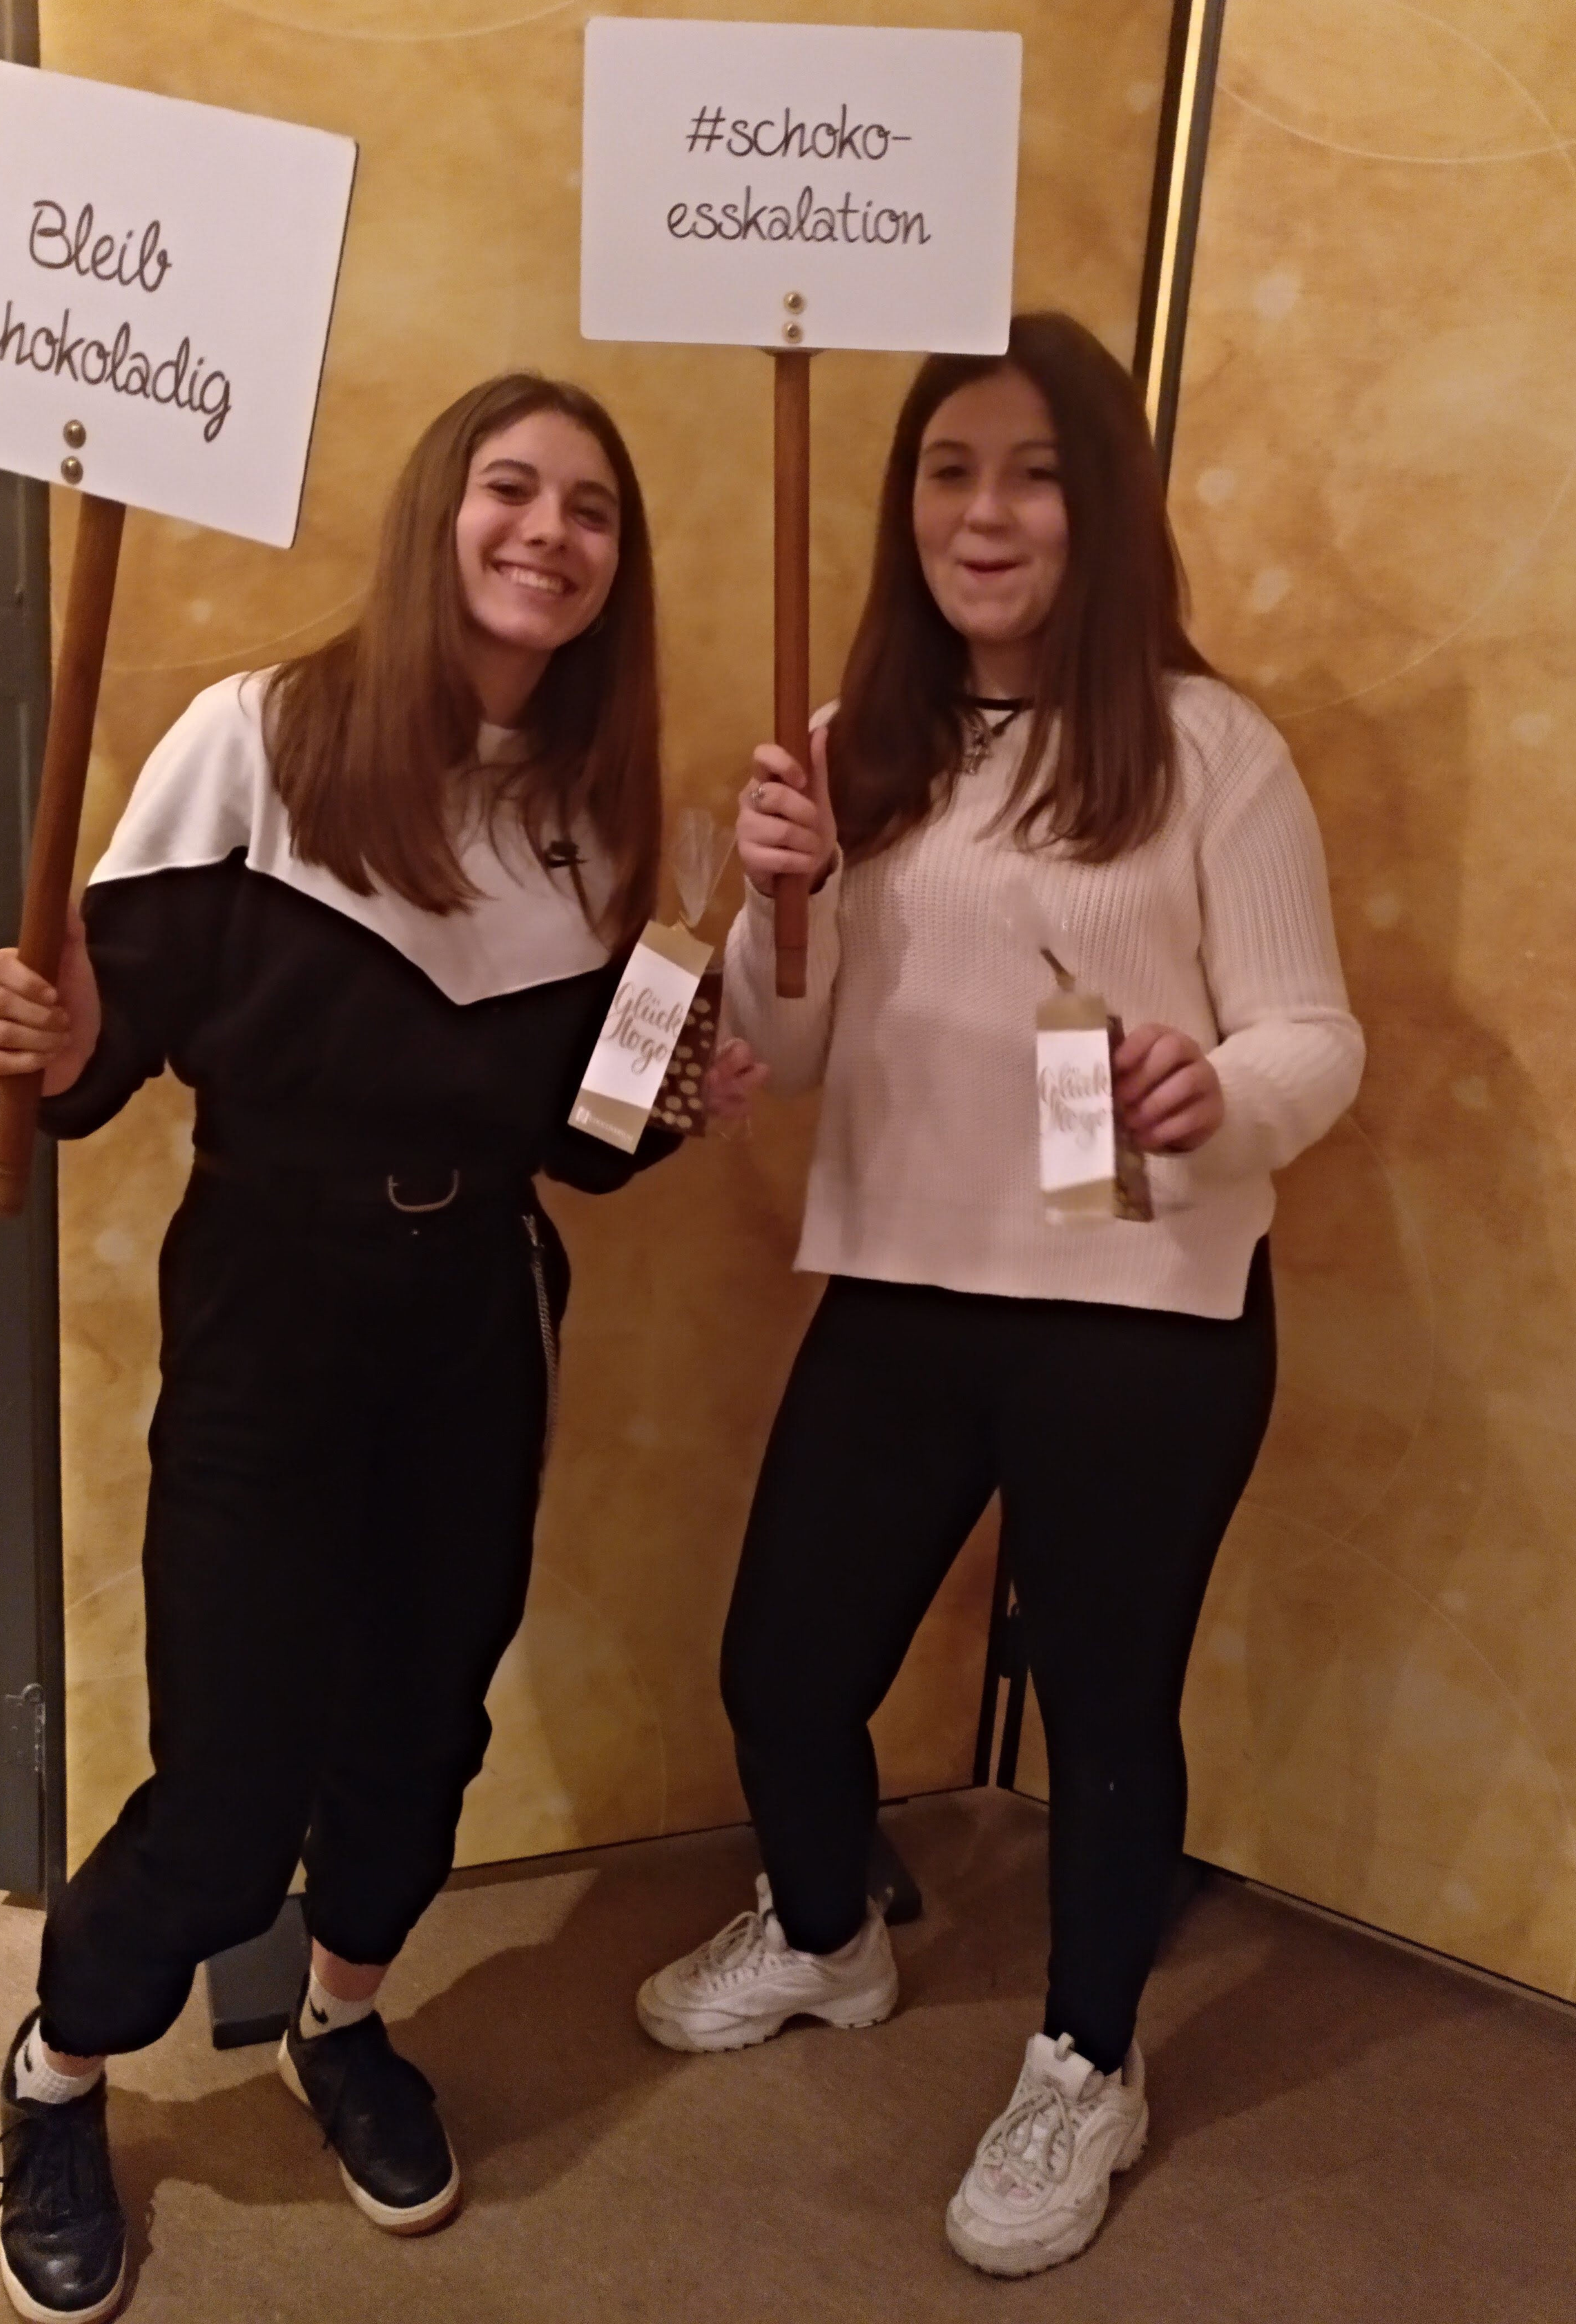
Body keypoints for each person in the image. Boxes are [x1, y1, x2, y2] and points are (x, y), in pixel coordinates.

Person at [0, 373, 760, 2323]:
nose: (550, 533)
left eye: (591, 509)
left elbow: (583, 1149)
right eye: (512, 488)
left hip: (479, 1317)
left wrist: (679, 1103)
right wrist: (50, 1039)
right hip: (272, 1302)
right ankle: (57, 2074)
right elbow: (108, 1046)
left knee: (420, 1731)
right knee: (231, 1793)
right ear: (440, 515)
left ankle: (341, 2025)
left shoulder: (606, 818)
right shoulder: (258, 739)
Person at [636, 314, 1363, 2278]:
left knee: (1105, 1712)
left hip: (1143, 1300)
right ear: (903, 504)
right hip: (904, 1281)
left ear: (1103, 505)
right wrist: (773, 895)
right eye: (949, 470)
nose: (986, 512)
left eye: (1035, 473)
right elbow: (786, 1050)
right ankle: (825, 1930)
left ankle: (1086, 2061)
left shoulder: (1210, 749)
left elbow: (1315, 1031)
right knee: (783, 1668)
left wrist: (1225, 1094)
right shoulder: (847, 750)